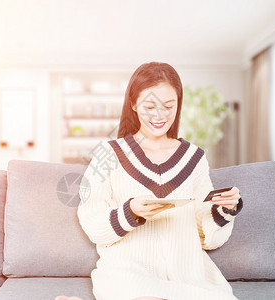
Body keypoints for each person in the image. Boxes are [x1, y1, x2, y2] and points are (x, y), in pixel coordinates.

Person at [55, 62, 243, 300]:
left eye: (168, 106)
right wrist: (130, 212)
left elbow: (209, 239)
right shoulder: (109, 153)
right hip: (128, 272)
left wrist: (224, 210)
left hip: (186, 273)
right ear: (133, 104)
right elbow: (93, 224)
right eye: (150, 106)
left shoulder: (194, 158)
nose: (159, 116)